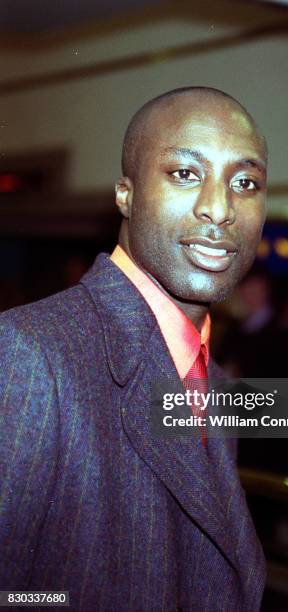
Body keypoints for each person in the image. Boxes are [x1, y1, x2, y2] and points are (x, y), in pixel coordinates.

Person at [0, 87, 268, 611]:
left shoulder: (212, 382)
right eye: (185, 173)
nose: (220, 207)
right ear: (125, 194)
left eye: (245, 182)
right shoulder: (31, 353)